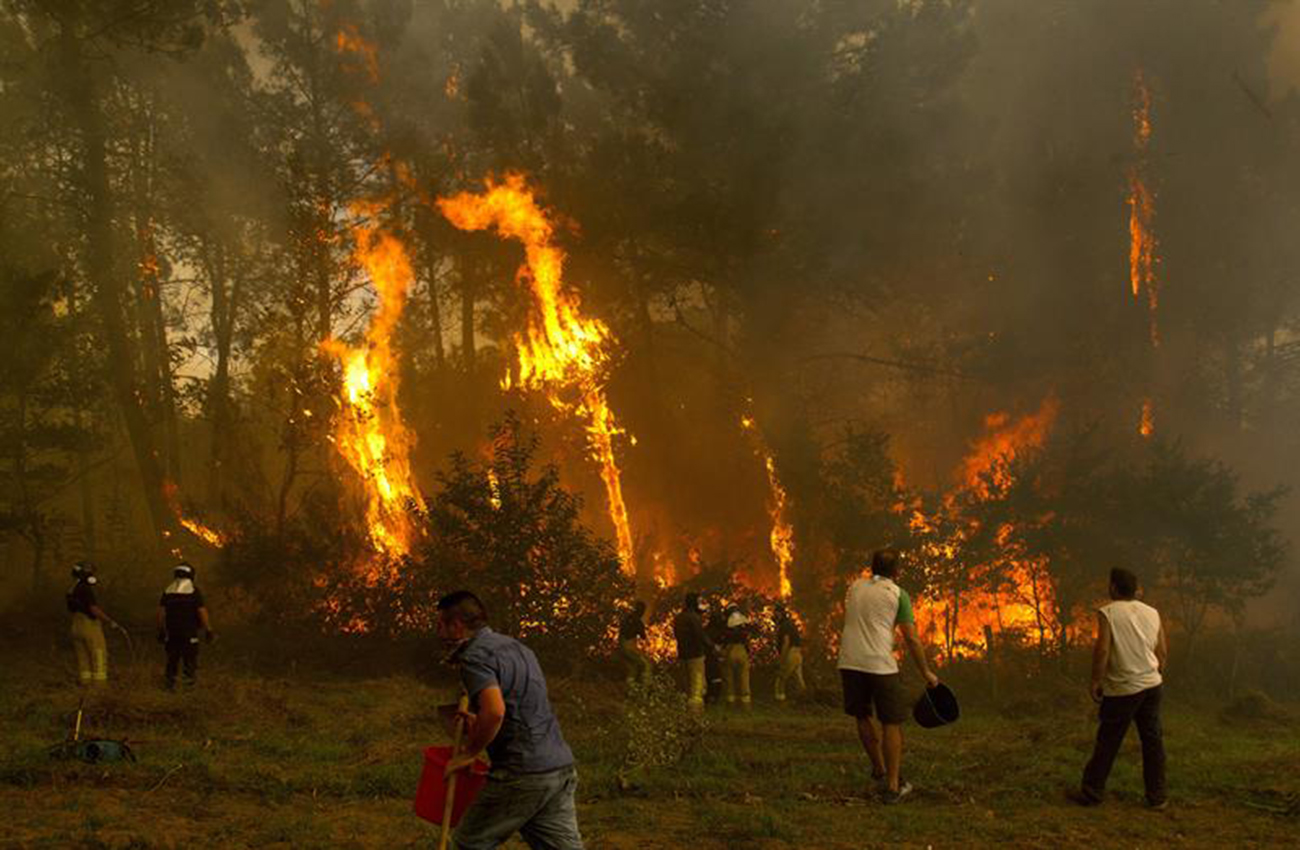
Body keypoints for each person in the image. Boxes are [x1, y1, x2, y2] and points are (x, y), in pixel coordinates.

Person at [439, 590, 583, 850]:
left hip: (521, 773)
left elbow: (495, 712)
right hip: (559, 768)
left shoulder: (473, 657)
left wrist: (469, 753)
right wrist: (478, 720)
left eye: (442, 625)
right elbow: (518, 705)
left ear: (457, 626)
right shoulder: (519, 648)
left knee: (466, 844)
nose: (440, 633)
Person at [837, 549, 940, 804]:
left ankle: (879, 769)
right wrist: (926, 671)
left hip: (849, 661)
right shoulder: (898, 594)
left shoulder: (854, 588)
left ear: (871, 568)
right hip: (880, 665)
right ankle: (893, 787)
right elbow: (912, 639)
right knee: (891, 722)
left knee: (862, 715)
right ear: (897, 571)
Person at [1077, 567, 1168, 809]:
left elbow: (1103, 650)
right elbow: (1163, 651)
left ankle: (1091, 793)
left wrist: (1096, 680)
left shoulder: (1108, 612)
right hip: (1152, 685)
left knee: (1108, 740)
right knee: (1153, 740)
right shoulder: (1152, 612)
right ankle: (1157, 797)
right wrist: (1155, 675)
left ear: (1114, 588)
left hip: (1123, 688)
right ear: (1136, 589)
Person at [157, 562, 214, 690]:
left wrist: (161, 630)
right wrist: (209, 629)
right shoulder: (194, 591)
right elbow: (202, 611)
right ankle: (188, 688)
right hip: (189, 633)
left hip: (172, 633)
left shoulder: (168, 591)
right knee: (190, 661)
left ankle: (169, 687)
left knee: (172, 660)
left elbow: (161, 613)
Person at [66, 561, 123, 687]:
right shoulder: (85, 588)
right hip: (89, 625)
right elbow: (93, 609)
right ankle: (100, 686)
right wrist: (110, 621)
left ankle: (85, 683)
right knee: (99, 655)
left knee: (83, 657)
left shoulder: (72, 588)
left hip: (76, 625)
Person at [672, 592, 714, 711]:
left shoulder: (679, 617)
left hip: (683, 653)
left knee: (685, 683)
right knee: (697, 682)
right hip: (695, 654)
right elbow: (700, 635)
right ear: (694, 603)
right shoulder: (694, 617)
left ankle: (683, 709)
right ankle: (695, 712)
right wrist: (712, 646)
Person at [720, 603, 754, 708]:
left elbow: (723, 638)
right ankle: (746, 704)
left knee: (729, 677)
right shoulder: (743, 621)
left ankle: (730, 703)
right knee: (744, 677)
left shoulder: (726, 622)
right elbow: (748, 637)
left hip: (730, 650)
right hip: (742, 650)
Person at [773, 602, 806, 703]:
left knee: (781, 679)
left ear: (779, 613)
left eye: (776, 612)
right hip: (798, 654)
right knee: (799, 680)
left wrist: (782, 659)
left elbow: (786, 642)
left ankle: (780, 704)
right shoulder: (790, 624)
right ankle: (806, 701)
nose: (774, 614)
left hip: (790, 653)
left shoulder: (785, 625)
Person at [616, 600, 653, 687]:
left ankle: (631, 687)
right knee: (646, 664)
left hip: (622, 647)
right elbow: (643, 636)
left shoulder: (627, 618)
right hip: (629, 648)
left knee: (633, 667)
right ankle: (645, 687)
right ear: (642, 611)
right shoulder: (638, 623)